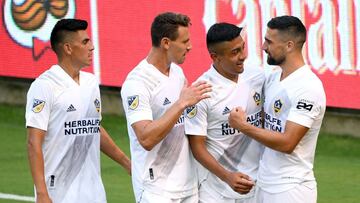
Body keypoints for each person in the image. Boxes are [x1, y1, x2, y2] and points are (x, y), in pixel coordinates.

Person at [26, 19, 131, 203]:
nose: (92, 47)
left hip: (94, 193)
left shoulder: (90, 83)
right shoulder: (44, 86)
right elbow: (34, 142)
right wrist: (42, 193)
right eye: (85, 42)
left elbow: (93, 128)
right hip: (58, 192)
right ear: (68, 48)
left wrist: (127, 163)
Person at [229, 15, 326, 203]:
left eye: (269, 41)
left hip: (291, 187)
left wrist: (243, 126)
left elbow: (288, 143)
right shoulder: (273, 78)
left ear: (289, 45)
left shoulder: (308, 87)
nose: (264, 47)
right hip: (264, 183)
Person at [121, 12, 211, 203]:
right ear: (166, 43)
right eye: (185, 41)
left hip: (187, 186)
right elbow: (146, 138)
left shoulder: (177, 73)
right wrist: (181, 103)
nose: (190, 46)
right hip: (156, 190)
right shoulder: (137, 83)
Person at [184, 23, 265, 203]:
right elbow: (197, 147)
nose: (242, 56)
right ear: (215, 57)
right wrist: (228, 176)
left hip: (257, 185)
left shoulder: (257, 77)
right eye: (234, 52)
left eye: (242, 48)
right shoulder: (201, 91)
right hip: (217, 190)